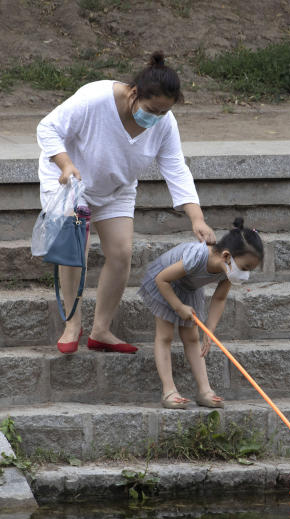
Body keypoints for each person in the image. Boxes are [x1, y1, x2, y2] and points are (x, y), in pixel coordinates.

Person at [37, 51, 215, 355]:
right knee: (74, 247)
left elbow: (174, 166)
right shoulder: (95, 98)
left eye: (163, 112)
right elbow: (48, 128)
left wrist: (196, 217)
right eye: (151, 109)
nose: (155, 118)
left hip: (117, 189)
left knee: (121, 253)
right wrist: (65, 164)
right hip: (72, 185)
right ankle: (72, 323)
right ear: (133, 93)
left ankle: (101, 330)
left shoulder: (163, 122)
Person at [138, 218, 264, 409]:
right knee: (165, 336)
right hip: (166, 282)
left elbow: (219, 299)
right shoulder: (197, 256)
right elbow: (161, 279)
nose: (245, 274)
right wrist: (179, 307)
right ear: (227, 256)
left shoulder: (228, 270)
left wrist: (210, 329)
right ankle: (169, 390)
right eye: (245, 268)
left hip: (189, 288)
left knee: (192, 337)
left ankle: (204, 391)